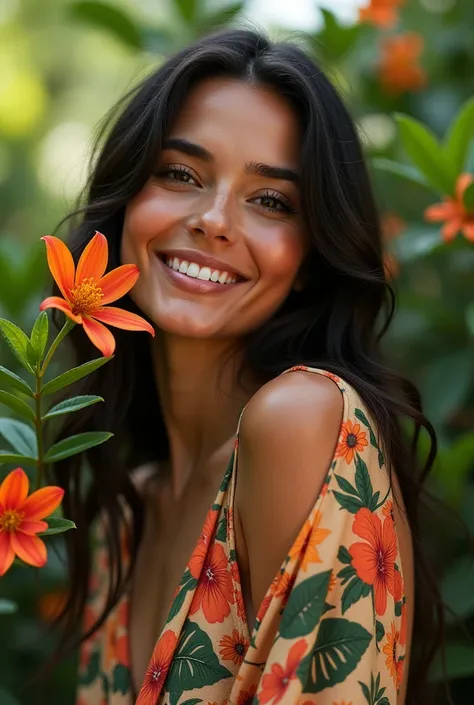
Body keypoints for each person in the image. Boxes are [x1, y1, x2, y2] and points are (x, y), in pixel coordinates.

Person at [50, 27, 443, 705]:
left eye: (270, 201)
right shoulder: (123, 511)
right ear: (127, 203)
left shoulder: (300, 420)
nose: (213, 219)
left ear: (308, 258)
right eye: (180, 173)